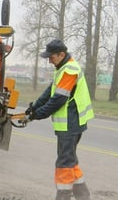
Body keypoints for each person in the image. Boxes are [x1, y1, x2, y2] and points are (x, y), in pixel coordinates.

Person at [25, 39, 94, 200]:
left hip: (71, 124)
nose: (49, 60)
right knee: (70, 160)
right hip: (69, 124)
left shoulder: (70, 70)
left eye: (51, 57)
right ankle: (83, 196)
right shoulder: (62, 68)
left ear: (61, 54)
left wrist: (38, 114)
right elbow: (50, 91)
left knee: (64, 163)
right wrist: (34, 107)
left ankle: (63, 197)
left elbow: (58, 99)